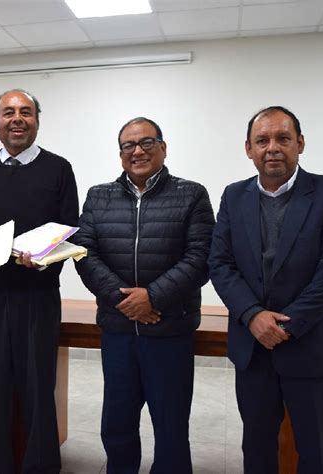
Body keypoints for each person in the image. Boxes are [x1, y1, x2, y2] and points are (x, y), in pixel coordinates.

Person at [73, 117, 214, 474]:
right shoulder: (98, 195)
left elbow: (200, 257)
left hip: (170, 332)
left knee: (170, 427)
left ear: (163, 148)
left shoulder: (191, 194)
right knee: (117, 424)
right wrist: (126, 302)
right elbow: (84, 252)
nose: (138, 151)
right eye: (128, 145)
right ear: (120, 154)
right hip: (118, 331)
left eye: (147, 143)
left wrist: (152, 297)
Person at [0, 89, 79, 474]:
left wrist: (43, 262)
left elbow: (71, 230)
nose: (17, 119)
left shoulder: (58, 168)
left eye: (25, 112)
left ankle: (39, 466)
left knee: (38, 390)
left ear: (38, 120)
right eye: (8, 112)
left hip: (37, 295)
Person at [209, 106, 323, 474]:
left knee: (316, 449)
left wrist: (288, 324)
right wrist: (252, 315)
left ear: (300, 144)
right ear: (249, 149)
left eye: (283, 138)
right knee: (257, 447)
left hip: (309, 348)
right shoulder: (234, 196)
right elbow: (220, 263)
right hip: (252, 349)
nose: (272, 147)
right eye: (262, 140)